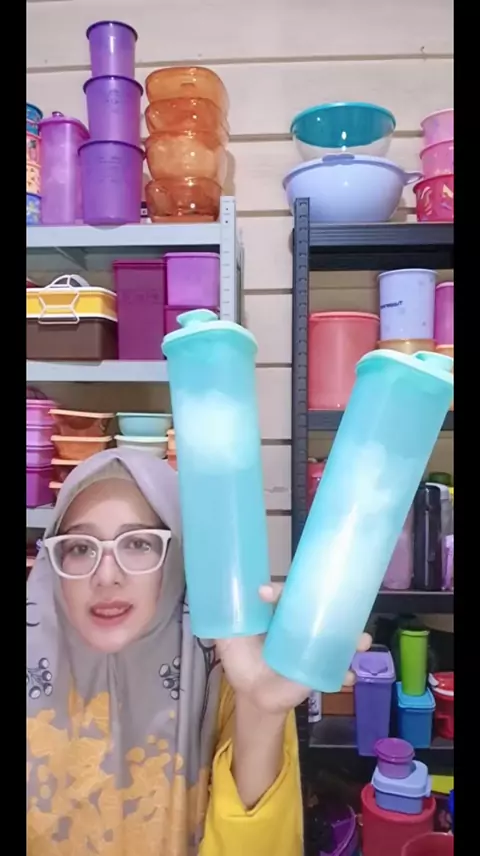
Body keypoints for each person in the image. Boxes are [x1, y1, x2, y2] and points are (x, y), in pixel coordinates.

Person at [27, 448, 372, 855]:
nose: (106, 576)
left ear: (180, 555)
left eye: (138, 543)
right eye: (80, 547)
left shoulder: (230, 677)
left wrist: (260, 716)